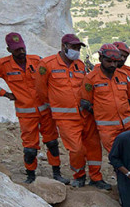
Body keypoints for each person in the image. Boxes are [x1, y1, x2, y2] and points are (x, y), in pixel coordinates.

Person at [0, 32, 66, 184]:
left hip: (45, 110)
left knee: (52, 142)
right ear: (9, 50)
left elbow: (52, 77)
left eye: (22, 48)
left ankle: (57, 173)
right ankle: (30, 176)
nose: (21, 52)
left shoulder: (37, 61)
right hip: (26, 114)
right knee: (30, 148)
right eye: (16, 50)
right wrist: (5, 94)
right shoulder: (2, 65)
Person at [37, 34, 90, 187]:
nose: (77, 51)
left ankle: (94, 177)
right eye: (74, 47)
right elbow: (41, 90)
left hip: (83, 114)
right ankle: (79, 176)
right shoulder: (47, 64)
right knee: (76, 149)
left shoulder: (80, 65)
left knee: (89, 147)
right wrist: (55, 103)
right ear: (63, 46)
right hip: (65, 116)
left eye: (78, 48)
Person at [81, 44, 130, 161]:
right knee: (117, 158)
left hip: (128, 126)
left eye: (115, 62)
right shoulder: (91, 78)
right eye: (109, 61)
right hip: (108, 129)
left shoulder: (124, 76)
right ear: (100, 58)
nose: (113, 65)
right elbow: (85, 103)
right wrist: (100, 112)